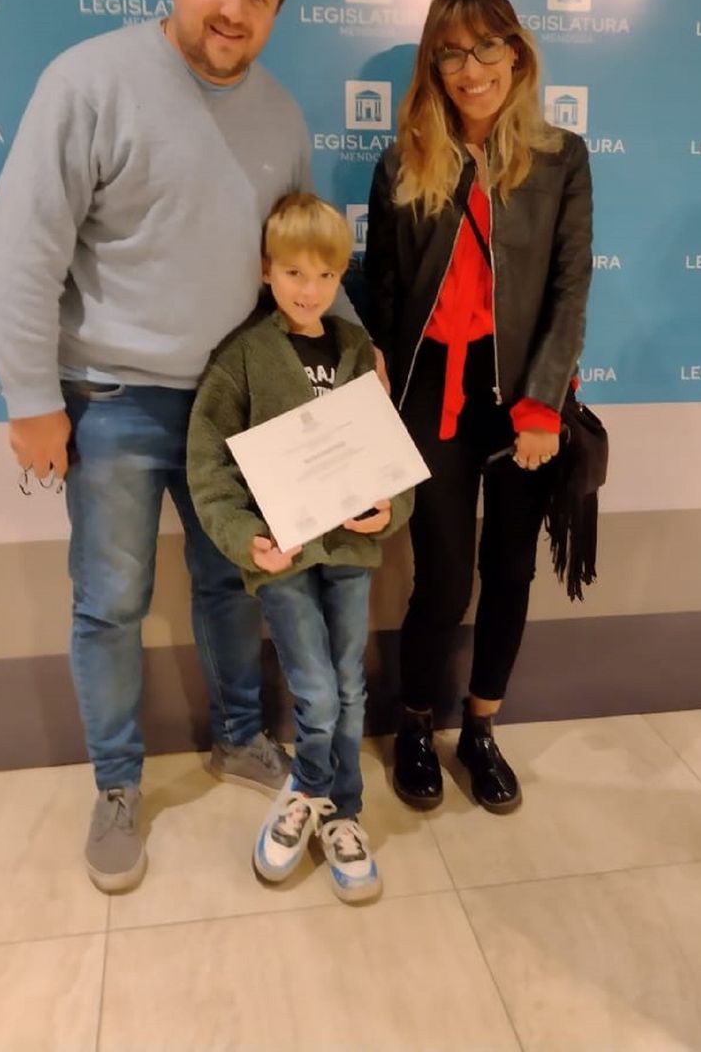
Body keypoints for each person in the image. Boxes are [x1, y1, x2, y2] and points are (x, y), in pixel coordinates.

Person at [0, 0, 355, 894]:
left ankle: (240, 734)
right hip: (108, 402)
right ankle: (115, 783)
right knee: (110, 602)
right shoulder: (90, 81)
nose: (233, 10)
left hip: (238, 408)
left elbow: (306, 266)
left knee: (236, 583)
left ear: (278, 9)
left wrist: (350, 387)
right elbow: (21, 251)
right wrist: (29, 398)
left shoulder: (278, 114)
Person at [364, 0, 592, 814]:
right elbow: (382, 289)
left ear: (517, 53)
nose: (470, 69)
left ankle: (481, 728)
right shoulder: (405, 159)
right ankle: (416, 724)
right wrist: (376, 371)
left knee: (510, 571)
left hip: (520, 403)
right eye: (451, 53)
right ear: (435, 64)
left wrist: (539, 407)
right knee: (446, 578)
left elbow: (570, 287)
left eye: (485, 47)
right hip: (432, 400)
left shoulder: (563, 157)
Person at [187, 193, 412, 902]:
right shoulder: (244, 358)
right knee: (316, 687)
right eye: (292, 274)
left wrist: (390, 509)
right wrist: (244, 537)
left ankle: (338, 812)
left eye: (323, 275)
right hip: (282, 559)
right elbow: (208, 464)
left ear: (342, 274)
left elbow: (387, 456)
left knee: (347, 683)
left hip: (347, 553)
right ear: (266, 272)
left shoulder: (354, 351)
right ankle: (314, 791)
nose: (308, 290)